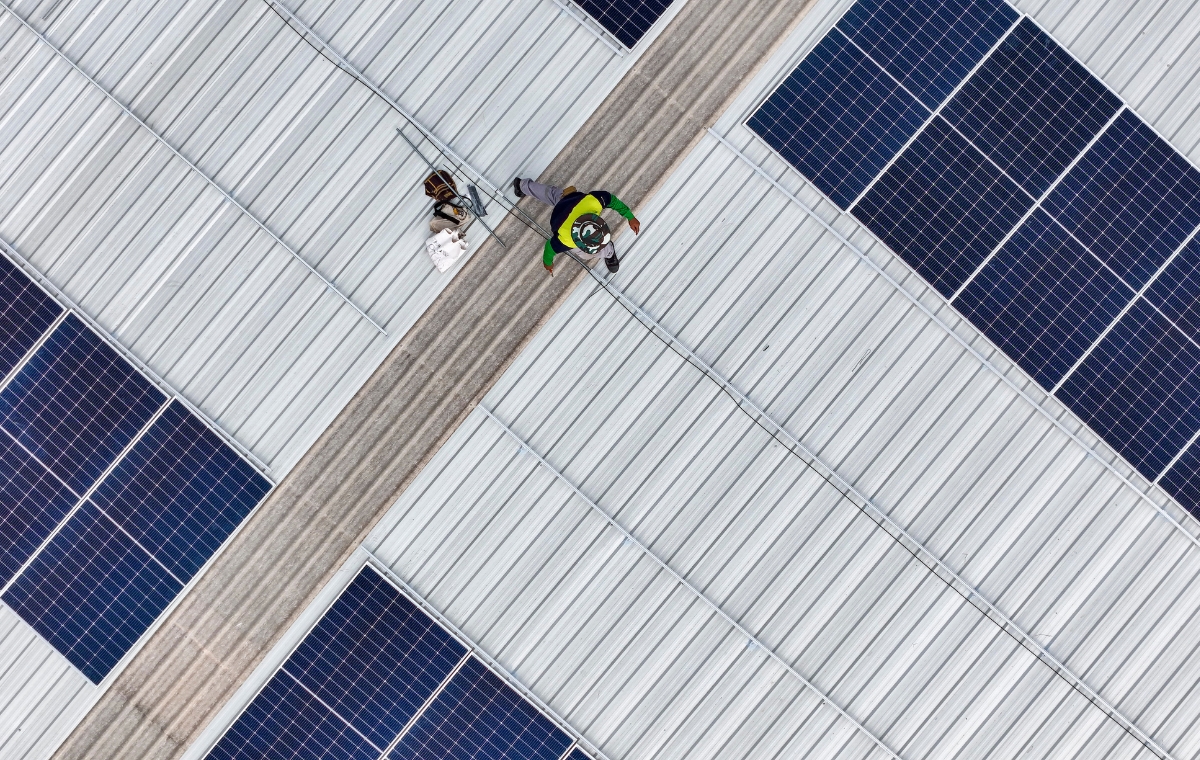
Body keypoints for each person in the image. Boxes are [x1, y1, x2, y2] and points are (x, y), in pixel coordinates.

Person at [513, 178, 640, 273]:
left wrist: (630, 217)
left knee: (550, 193)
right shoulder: (567, 240)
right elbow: (549, 248)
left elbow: (611, 199)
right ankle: (608, 252)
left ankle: (521, 185)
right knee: (586, 255)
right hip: (563, 212)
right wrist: (547, 263)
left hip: (566, 199)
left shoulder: (593, 201)